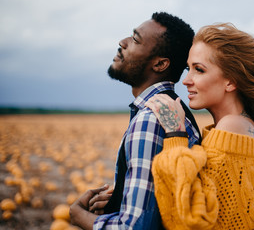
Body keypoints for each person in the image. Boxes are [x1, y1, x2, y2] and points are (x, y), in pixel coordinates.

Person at [145, 23, 254, 229]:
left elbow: (190, 220)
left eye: (199, 70)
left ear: (231, 82)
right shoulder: (242, 127)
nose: (186, 80)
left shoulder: (232, 126)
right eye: (188, 68)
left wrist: (176, 134)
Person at [69, 12, 201, 230]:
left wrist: (78, 216)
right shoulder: (170, 110)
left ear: (160, 64)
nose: (122, 42)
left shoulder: (151, 119)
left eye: (135, 39)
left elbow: (135, 228)